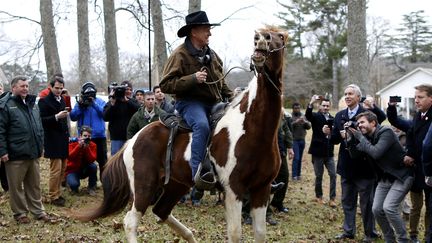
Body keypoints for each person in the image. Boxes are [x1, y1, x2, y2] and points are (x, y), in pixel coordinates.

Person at [160, 10, 233, 186]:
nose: (210, 33)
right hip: (189, 104)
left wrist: (232, 98)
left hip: (214, 103)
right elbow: (165, 85)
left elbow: (220, 82)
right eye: (206, 29)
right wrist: (193, 79)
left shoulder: (213, 55)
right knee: (201, 125)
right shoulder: (179, 55)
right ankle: (197, 174)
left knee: (236, 123)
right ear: (194, 32)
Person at [323, 84, 385, 242]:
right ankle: (348, 231)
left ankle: (369, 233)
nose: (347, 96)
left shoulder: (367, 114)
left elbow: (377, 129)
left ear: (359, 97)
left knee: (367, 203)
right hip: (346, 165)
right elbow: (336, 140)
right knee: (347, 201)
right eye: (345, 94)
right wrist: (330, 134)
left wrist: (355, 134)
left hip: (364, 165)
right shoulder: (339, 115)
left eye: (351, 94)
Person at [347, 111, 414, 243]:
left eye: (362, 122)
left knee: (389, 208)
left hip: (401, 175)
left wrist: (360, 137)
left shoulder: (386, 132)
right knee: (376, 209)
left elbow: (376, 152)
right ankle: (390, 239)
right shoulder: (367, 137)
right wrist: (350, 139)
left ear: (373, 123)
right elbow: (354, 155)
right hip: (385, 178)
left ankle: (403, 239)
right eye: (358, 123)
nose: (359, 126)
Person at [0, 75, 49, 223]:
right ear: (13, 87)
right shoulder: (5, 105)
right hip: (15, 155)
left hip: (33, 152)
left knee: (34, 185)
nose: (25, 88)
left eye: (27, 86)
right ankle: (20, 214)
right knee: (16, 187)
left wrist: (41, 146)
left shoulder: (33, 103)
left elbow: (39, 127)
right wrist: (2, 151)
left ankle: (38, 212)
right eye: (22, 86)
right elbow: (0, 130)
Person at [404, 84, 432, 243]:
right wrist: (409, 153)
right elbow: (410, 135)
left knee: (430, 207)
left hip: (429, 170)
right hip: (415, 168)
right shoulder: (418, 115)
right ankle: (413, 234)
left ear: (431, 98)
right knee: (416, 205)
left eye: (420, 97)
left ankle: (428, 235)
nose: (416, 100)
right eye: (415, 97)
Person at [38, 75, 69, 207]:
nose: (59, 91)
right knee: (55, 170)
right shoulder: (43, 102)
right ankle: (53, 195)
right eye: (56, 88)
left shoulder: (62, 99)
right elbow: (41, 121)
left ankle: (58, 192)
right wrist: (56, 117)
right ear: (50, 87)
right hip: (52, 139)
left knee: (62, 169)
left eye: (61, 88)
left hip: (63, 138)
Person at [70, 82, 107, 181]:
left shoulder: (100, 101)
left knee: (103, 161)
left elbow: (105, 114)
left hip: (99, 136)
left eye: (92, 93)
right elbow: (73, 117)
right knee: (87, 161)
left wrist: (94, 104)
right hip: (85, 137)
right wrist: (81, 107)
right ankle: (90, 183)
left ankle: (105, 181)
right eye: (87, 94)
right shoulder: (80, 103)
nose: (90, 96)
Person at [306, 95, 336, 207]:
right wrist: (311, 103)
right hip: (317, 152)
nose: (326, 107)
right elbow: (308, 115)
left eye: (327, 106)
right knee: (319, 175)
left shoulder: (333, 119)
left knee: (333, 175)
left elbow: (335, 133)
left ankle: (332, 198)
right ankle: (319, 196)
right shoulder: (315, 116)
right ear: (320, 106)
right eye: (324, 105)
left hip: (329, 152)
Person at [103, 80, 140, 155]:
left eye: (130, 89)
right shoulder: (112, 102)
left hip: (130, 137)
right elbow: (105, 117)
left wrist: (127, 101)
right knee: (116, 161)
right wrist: (112, 104)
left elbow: (139, 110)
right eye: (126, 89)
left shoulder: (133, 102)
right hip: (117, 138)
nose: (128, 91)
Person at [270, 109, 294, 213]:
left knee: (284, 176)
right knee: (267, 178)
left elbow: (286, 130)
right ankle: (263, 206)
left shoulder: (281, 112)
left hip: (280, 150)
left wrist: (290, 147)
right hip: (267, 151)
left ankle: (277, 202)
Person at [65, 126, 97, 196]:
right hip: (72, 170)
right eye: (85, 136)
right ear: (80, 136)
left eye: (89, 136)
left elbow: (92, 159)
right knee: (74, 185)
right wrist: (78, 147)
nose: (87, 138)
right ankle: (70, 184)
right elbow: (69, 157)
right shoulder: (72, 143)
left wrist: (87, 148)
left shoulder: (93, 145)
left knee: (93, 166)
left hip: (85, 169)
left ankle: (91, 187)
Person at [291, 102, 311, 181]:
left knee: (300, 158)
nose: (297, 109)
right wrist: (296, 122)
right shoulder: (290, 116)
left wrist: (305, 122)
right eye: (295, 108)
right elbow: (288, 127)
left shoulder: (303, 116)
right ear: (293, 109)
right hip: (294, 140)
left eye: (298, 108)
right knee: (296, 158)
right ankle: (294, 175)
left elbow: (309, 127)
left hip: (302, 140)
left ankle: (298, 174)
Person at [0, 82, 8, 193]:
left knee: (5, 167)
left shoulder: (8, 102)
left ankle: (7, 188)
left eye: (0, 87)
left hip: (4, 139)